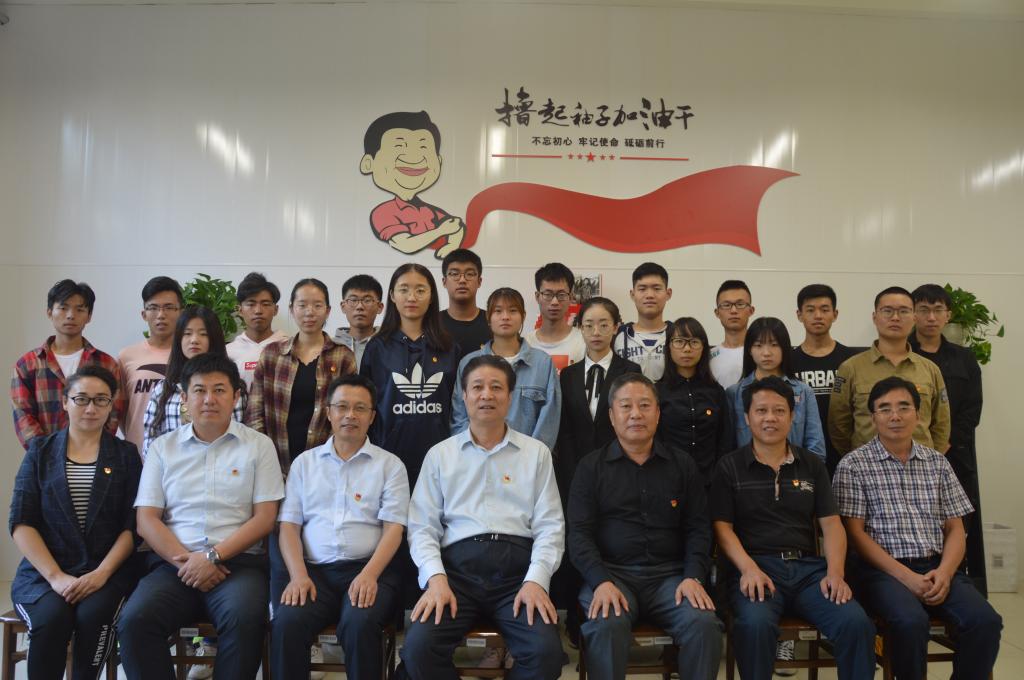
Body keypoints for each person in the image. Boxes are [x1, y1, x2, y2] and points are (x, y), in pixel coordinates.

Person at [117, 354, 285, 680]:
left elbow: (265, 518)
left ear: (236, 397)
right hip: (174, 565)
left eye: (219, 390)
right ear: (184, 397)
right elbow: (146, 520)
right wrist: (189, 562)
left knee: (245, 620)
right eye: (199, 390)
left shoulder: (258, 446)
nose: (209, 399)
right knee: (135, 621)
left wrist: (212, 557)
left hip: (237, 566)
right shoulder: (163, 448)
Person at [400, 355, 565, 680]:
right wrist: (435, 579)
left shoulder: (536, 454)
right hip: (455, 576)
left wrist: (536, 581)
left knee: (546, 655)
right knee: (418, 649)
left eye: (496, 387)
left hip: (517, 577)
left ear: (510, 396)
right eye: (477, 387)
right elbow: (422, 528)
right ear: (464, 396)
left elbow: (550, 527)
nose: (486, 395)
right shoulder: (440, 455)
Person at [833, 377, 1001, 680]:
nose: (895, 416)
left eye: (903, 407)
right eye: (885, 409)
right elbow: (855, 535)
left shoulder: (938, 463)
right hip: (882, 572)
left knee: (985, 621)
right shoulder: (853, 465)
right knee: (910, 622)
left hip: (937, 566)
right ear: (873, 417)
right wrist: (907, 577)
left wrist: (945, 572)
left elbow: (956, 528)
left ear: (918, 414)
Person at [712, 377, 876, 680]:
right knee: (754, 625)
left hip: (808, 571)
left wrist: (835, 573)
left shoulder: (811, 464)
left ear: (792, 416)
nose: (770, 418)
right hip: (756, 568)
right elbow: (723, 529)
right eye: (761, 411)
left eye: (779, 411)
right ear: (747, 418)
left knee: (855, 623)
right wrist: (748, 569)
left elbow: (831, 524)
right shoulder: (729, 466)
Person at [569, 372, 722, 680]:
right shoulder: (590, 467)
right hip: (613, 575)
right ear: (612, 416)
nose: (636, 414)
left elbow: (698, 528)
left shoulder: (682, 464)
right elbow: (579, 534)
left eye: (644, 405)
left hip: (671, 578)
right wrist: (600, 581)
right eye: (626, 406)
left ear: (658, 413)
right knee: (606, 623)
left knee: (703, 623)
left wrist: (693, 576)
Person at [270, 374, 409, 680]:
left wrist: (370, 575)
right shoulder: (304, 464)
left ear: (372, 417)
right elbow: (289, 526)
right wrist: (298, 576)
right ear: (328, 412)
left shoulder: (390, 466)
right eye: (342, 407)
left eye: (360, 408)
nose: (350, 415)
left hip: (369, 569)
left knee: (359, 623)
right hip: (314, 573)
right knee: (287, 622)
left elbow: (394, 529)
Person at [9, 366, 142, 680]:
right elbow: (22, 522)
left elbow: (132, 525)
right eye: (81, 399)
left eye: (101, 400)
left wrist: (101, 574)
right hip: (45, 573)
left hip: (106, 571)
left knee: (94, 616)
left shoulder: (125, 455)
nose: (91, 408)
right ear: (65, 402)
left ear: (111, 405)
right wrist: (56, 577)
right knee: (51, 619)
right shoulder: (40, 452)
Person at [909, 283, 987, 595]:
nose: (931, 317)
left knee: (960, 523)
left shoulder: (964, 358)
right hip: (911, 455)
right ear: (914, 314)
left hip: (955, 455)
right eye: (924, 310)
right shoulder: (904, 355)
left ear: (948, 315)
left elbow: (972, 408)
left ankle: (961, 584)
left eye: (937, 310)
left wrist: (946, 442)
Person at [359, 263, 459, 487]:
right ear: (392, 296)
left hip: (440, 459)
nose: (412, 297)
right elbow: (366, 404)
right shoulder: (377, 347)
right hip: (387, 459)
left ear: (432, 297)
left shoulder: (449, 347)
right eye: (404, 289)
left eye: (420, 290)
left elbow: (458, 407)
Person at [246, 278, 357, 471]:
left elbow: (347, 412)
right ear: (291, 309)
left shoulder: (343, 356)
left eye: (317, 305)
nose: (309, 312)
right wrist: (266, 458)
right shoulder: (272, 354)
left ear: (328, 311)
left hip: (326, 465)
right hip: (274, 463)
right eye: (302, 305)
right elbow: (255, 411)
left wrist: (329, 459)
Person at [828, 286, 950, 456]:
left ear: (914, 317)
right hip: (867, 466)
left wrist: (929, 459)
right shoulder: (850, 368)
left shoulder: (930, 369)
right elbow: (838, 424)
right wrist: (858, 458)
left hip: (920, 467)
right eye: (887, 311)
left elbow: (942, 424)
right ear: (874, 317)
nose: (895, 317)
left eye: (903, 311)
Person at [12, 279, 123, 449]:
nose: (71, 315)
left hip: (95, 455)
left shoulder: (106, 364)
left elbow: (114, 411)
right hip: (43, 457)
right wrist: (45, 452)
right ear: (49, 312)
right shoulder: (27, 364)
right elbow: (23, 415)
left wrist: (94, 449)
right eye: (63, 308)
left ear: (89, 316)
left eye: (80, 309)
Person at [452, 287, 561, 451]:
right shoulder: (469, 362)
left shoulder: (542, 363)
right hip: (477, 458)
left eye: (512, 311)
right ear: (488, 318)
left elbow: (549, 419)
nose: (505, 317)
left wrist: (532, 456)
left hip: (527, 459)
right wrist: (473, 454)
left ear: (523, 316)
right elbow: (459, 416)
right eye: (498, 311)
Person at [556, 297, 642, 504]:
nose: (596, 332)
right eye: (588, 325)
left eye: (603, 325)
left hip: (621, 469)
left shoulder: (630, 371)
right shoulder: (568, 375)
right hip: (575, 470)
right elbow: (565, 429)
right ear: (580, 328)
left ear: (616, 327)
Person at [360, 110, 464, 259]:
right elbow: (405, 245)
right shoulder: (383, 213)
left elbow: (456, 226)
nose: (414, 157)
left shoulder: (429, 210)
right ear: (368, 163)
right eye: (399, 146)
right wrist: (440, 231)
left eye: (423, 147)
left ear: (439, 161)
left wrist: (452, 246)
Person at [141, 306, 243, 459]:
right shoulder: (164, 388)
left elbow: (241, 436)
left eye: (203, 334)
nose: (194, 340)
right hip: (174, 470)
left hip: (225, 467)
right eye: (187, 333)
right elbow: (150, 440)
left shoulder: (231, 386)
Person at [725, 317, 825, 459]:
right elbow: (728, 447)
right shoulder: (734, 393)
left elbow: (816, 447)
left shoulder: (803, 392)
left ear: (785, 348)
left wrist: (803, 470)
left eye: (774, 345)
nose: (766, 352)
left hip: (796, 470)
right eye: (758, 345)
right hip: (747, 471)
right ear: (749, 350)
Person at [790, 284, 864, 477]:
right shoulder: (788, 361)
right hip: (802, 456)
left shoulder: (852, 360)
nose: (818, 316)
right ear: (799, 315)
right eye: (810, 310)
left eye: (824, 310)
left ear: (835, 314)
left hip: (847, 455)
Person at [656, 317, 734, 487]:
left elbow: (725, 439)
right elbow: (655, 440)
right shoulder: (657, 392)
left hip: (710, 482)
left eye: (694, 342)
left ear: (703, 348)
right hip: (669, 480)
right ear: (669, 347)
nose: (687, 349)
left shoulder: (716, 392)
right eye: (679, 342)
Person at [118, 276, 184, 450]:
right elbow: (121, 409)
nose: (161, 315)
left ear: (181, 312)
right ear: (144, 314)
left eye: (169, 307)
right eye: (153, 308)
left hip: (182, 452)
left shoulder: (191, 355)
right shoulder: (126, 356)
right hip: (137, 453)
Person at [226, 272, 288, 390]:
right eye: (251, 304)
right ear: (240, 310)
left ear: (275, 310)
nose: (258, 310)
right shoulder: (228, 352)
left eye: (265, 304)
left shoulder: (289, 347)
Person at [612, 262, 672, 381]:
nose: (649, 295)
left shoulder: (678, 334)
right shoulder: (617, 335)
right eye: (642, 289)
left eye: (656, 288)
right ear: (632, 294)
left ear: (668, 294)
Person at [524, 262, 586, 372]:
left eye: (561, 295)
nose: (554, 302)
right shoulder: (525, 344)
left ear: (571, 297)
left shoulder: (584, 342)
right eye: (548, 294)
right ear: (537, 297)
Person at [439, 248, 491, 362]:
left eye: (470, 274)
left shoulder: (493, 322)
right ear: (444, 282)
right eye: (454, 274)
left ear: (479, 281)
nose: (462, 280)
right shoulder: (432, 324)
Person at [709, 280, 755, 389]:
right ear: (717, 313)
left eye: (740, 304)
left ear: (751, 310)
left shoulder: (762, 353)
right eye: (726, 305)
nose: (733, 310)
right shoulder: (708, 356)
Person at [334, 274, 385, 370]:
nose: (359, 307)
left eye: (367, 300)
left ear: (379, 307)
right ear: (343, 306)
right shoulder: (329, 347)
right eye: (353, 300)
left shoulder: (389, 346)